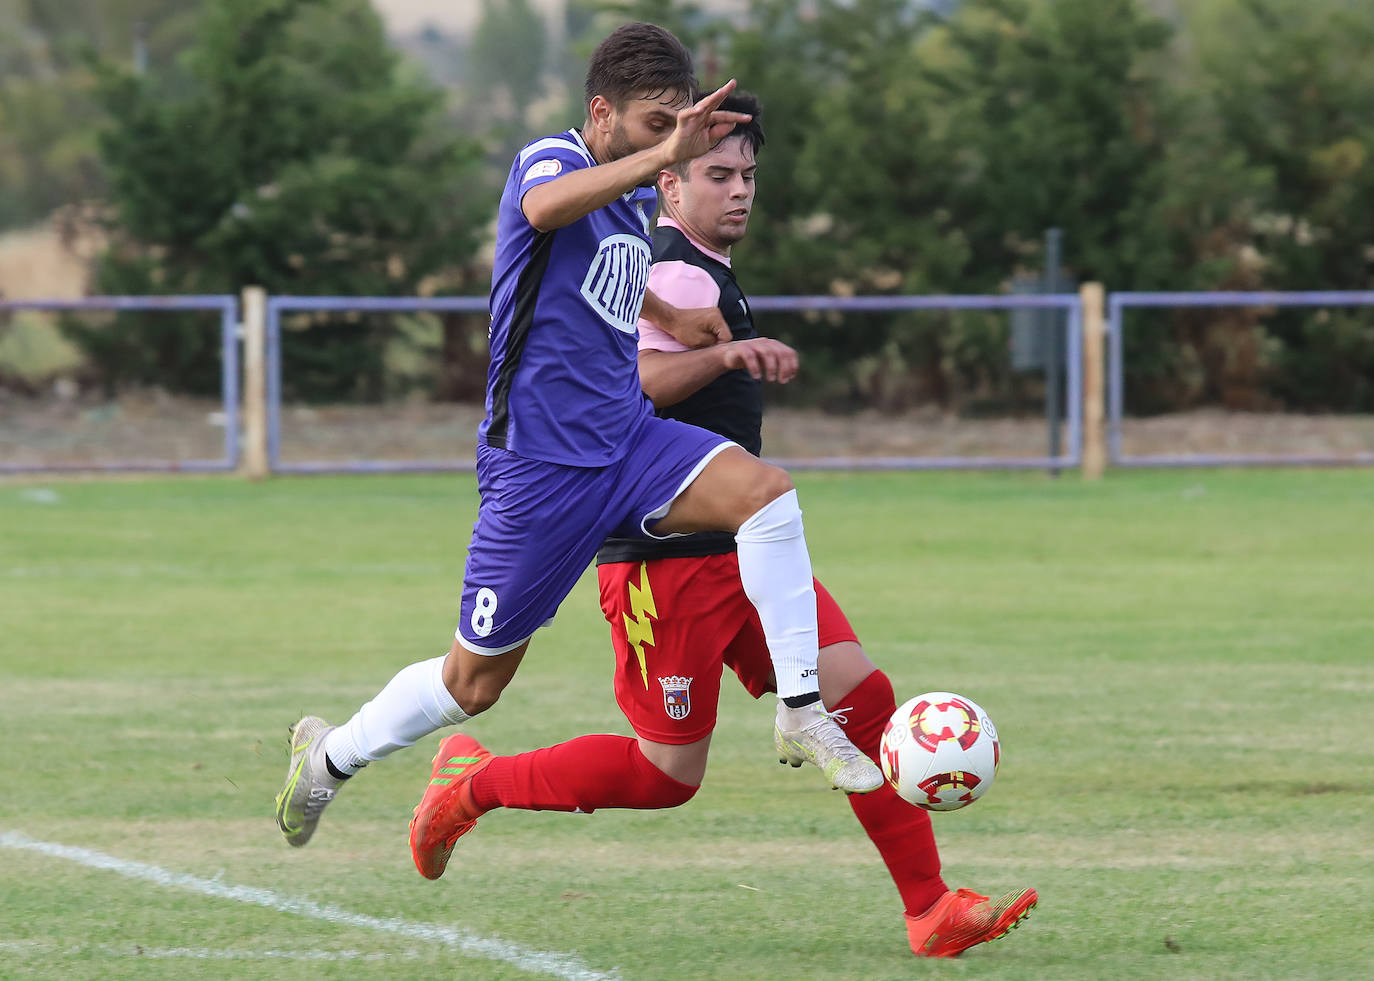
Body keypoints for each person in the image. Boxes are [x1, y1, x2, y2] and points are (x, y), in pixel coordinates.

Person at [408, 92, 1037, 958]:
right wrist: (726, 352)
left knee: (861, 697)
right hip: (667, 564)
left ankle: (930, 907)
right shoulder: (671, 270)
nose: (738, 190)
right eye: (717, 174)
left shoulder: (698, 263)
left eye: (747, 175)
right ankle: (472, 784)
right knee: (667, 775)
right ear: (667, 185)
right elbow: (635, 393)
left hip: (744, 549)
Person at [276, 23, 881, 860]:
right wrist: (663, 157)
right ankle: (331, 755)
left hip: (626, 442)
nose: (667, 145)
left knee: (765, 495)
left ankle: (803, 709)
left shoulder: (632, 194)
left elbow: (609, 282)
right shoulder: (551, 161)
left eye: (678, 122)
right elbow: (546, 212)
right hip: (539, 469)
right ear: (602, 112)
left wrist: (671, 317)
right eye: (651, 125)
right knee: (473, 685)